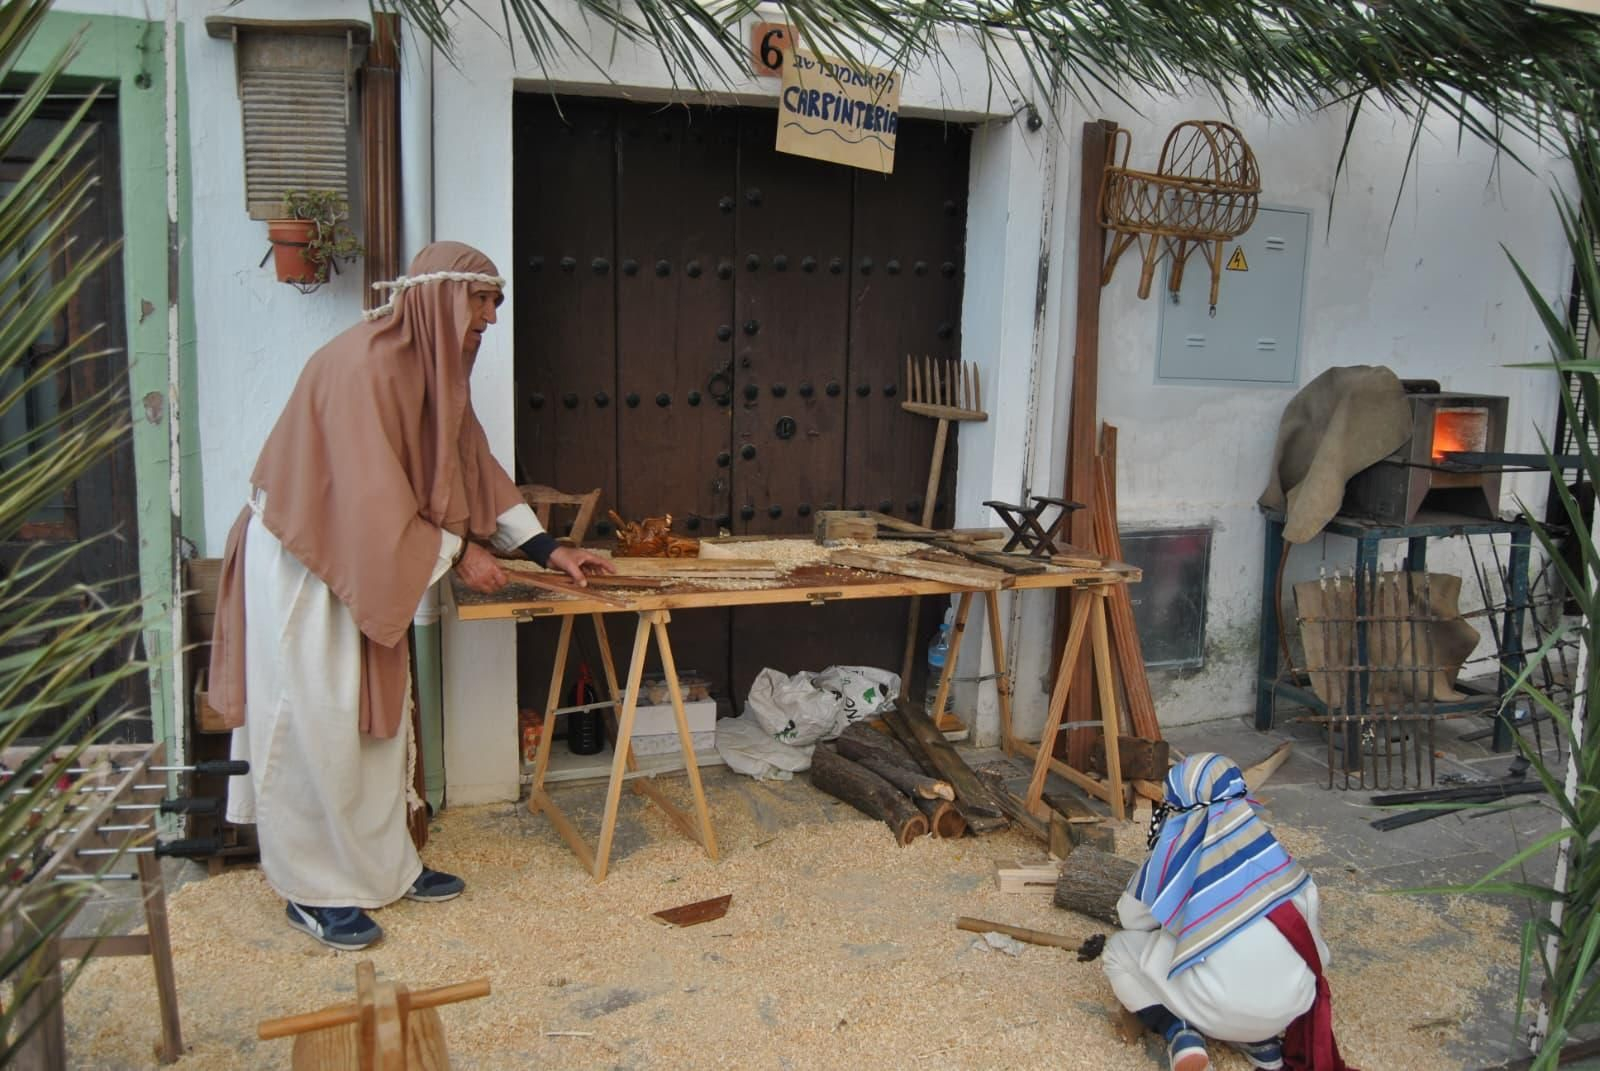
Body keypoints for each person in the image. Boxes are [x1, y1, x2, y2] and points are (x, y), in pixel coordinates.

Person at [207, 241, 613, 951]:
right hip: (307, 565)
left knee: (375, 727)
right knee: (315, 727)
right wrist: (459, 553)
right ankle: (310, 890)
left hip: (361, 563)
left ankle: (384, 868)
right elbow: (368, 501)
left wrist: (549, 549)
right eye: (476, 310)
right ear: (435, 301)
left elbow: (474, 467)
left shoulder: (435, 374)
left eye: (491, 313)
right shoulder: (359, 367)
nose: (484, 328)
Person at [1102, 753, 1356, 1071]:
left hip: (1221, 1006)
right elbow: (1318, 952)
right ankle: (1261, 1043)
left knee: (1118, 951)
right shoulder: (1273, 852)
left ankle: (1181, 1034)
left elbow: (1131, 918)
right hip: (1292, 1006)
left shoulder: (1175, 855)